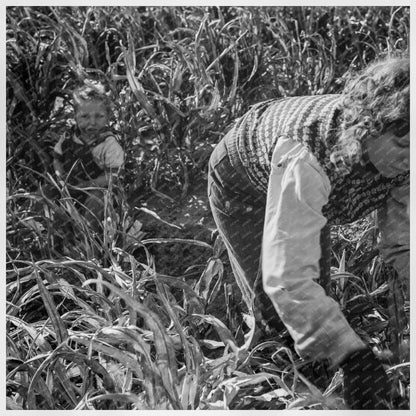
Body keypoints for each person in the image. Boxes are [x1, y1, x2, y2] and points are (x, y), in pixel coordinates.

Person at [208, 54, 409, 409]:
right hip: (243, 182)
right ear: (369, 128)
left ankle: (322, 389)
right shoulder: (309, 155)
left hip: (309, 187)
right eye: (404, 146)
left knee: (317, 300)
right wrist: (352, 357)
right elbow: (287, 278)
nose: (411, 161)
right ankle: (261, 397)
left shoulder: (403, 159)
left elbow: (403, 244)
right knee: (276, 313)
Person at [43, 80, 125, 231]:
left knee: (96, 203)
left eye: (99, 116)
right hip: (71, 186)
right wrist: (60, 177)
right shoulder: (68, 137)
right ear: (75, 115)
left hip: (99, 188)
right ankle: (50, 232)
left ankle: (88, 237)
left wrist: (86, 185)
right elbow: (57, 159)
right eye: (85, 116)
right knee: (46, 194)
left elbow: (113, 176)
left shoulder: (108, 143)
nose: (91, 123)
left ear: (108, 117)